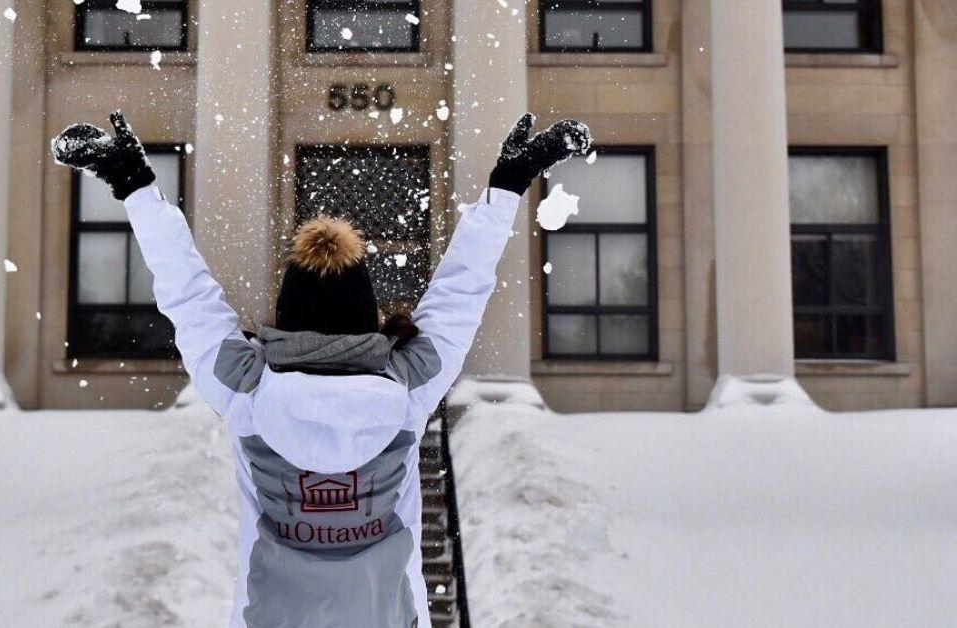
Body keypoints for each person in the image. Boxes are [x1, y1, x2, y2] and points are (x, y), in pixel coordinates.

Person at [52, 111, 592, 628]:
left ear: (285, 319)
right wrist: (507, 185)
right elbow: (462, 289)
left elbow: (186, 291)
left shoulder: (244, 387)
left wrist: (136, 187)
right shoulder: (409, 386)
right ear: (369, 319)